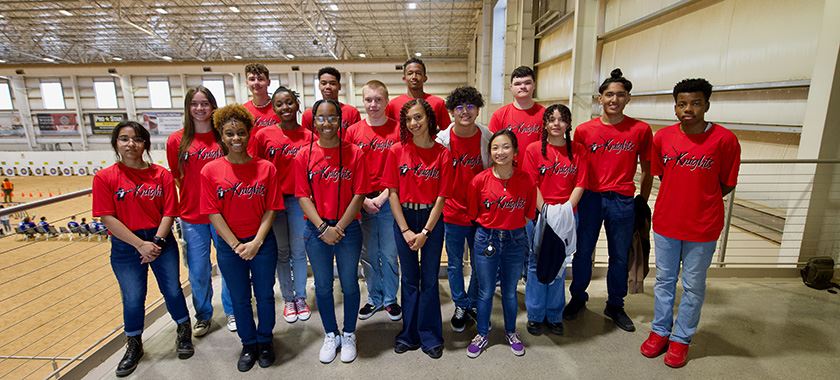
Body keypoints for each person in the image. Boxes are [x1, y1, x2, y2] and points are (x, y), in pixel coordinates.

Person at [640, 78, 740, 368]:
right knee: (664, 281)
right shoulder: (663, 138)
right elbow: (661, 175)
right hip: (667, 223)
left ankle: (681, 338)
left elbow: (726, 183)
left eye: (696, 103)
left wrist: (702, 200)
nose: (689, 109)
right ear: (675, 107)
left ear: (706, 105)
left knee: (694, 284)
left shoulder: (725, 140)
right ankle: (660, 331)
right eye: (682, 104)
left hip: (704, 226)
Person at [92, 121, 193, 377]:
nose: (131, 144)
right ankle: (134, 344)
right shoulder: (105, 178)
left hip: (161, 241)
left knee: (172, 290)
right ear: (116, 143)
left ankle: (183, 332)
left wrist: (156, 242)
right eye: (124, 139)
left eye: (137, 139)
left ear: (145, 144)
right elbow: (107, 217)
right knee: (134, 297)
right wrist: (139, 245)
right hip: (127, 245)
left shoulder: (162, 175)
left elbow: (171, 210)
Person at [565, 68, 653, 333]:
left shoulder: (640, 130)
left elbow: (648, 169)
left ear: (628, 99)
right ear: (599, 98)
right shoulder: (584, 131)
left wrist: (642, 200)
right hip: (590, 198)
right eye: (609, 95)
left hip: (622, 200)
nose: (614, 99)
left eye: (621, 95)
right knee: (582, 254)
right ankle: (578, 297)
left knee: (619, 256)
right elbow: (576, 168)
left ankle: (615, 304)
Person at [200, 104, 283, 372]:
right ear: (221, 137)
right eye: (230, 134)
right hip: (230, 246)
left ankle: (265, 340)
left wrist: (257, 242)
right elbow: (212, 212)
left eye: (241, 133)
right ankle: (248, 344)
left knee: (265, 295)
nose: (236, 139)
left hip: (262, 242)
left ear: (250, 134)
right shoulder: (210, 171)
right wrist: (236, 245)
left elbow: (271, 207)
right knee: (239, 297)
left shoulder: (266, 168)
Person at [295, 99, 370, 364]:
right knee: (324, 286)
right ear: (313, 121)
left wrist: (338, 227)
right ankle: (331, 334)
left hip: (347, 229)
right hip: (316, 230)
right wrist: (323, 228)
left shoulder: (355, 153)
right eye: (321, 118)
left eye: (332, 118)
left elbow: (360, 193)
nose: (327, 123)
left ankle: (349, 333)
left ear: (341, 120)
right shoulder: (304, 155)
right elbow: (303, 196)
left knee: (349, 283)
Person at [382, 98, 452, 359]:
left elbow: (442, 198)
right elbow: (392, 194)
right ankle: (408, 334)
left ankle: (430, 335)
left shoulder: (443, 154)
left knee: (430, 280)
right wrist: (405, 231)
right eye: (409, 119)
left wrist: (425, 233)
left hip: (431, 221)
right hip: (404, 219)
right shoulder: (395, 151)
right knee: (409, 279)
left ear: (429, 119)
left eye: (418, 117)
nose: (414, 123)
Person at [166, 86, 237, 336]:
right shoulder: (176, 140)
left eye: (204, 103)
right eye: (194, 104)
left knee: (228, 266)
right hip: (192, 216)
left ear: (212, 106)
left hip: (223, 214)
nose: (199, 108)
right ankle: (203, 315)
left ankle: (233, 310)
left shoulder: (223, 137)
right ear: (188, 107)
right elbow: (177, 177)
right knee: (198, 269)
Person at [465, 129, 536, 358]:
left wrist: (510, 226)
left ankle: (511, 332)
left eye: (506, 147)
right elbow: (474, 213)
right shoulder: (479, 181)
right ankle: (482, 333)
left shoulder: (525, 180)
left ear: (515, 151)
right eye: (495, 147)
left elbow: (527, 214)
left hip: (515, 239)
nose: (500, 152)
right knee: (485, 292)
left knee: (509, 292)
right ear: (489, 151)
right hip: (487, 238)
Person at [521, 104, 586, 336]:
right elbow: (531, 184)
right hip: (540, 214)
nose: (556, 124)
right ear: (545, 123)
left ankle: (554, 314)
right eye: (552, 119)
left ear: (568, 123)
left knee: (559, 263)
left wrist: (567, 209)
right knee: (536, 262)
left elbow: (580, 183)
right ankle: (536, 314)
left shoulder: (578, 150)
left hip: (567, 214)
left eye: (561, 119)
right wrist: (546, 210)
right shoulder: (533, 149)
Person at [252, 86, 313, 323]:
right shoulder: (263, 136)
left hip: (300, 201)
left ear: (296, 105)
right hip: (274, 203)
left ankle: (300, 296)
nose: (285, 108)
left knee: (299, 251)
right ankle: (287, 298)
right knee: (282, 252)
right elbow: (256, 168)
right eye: (279, 104)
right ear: (273, 108)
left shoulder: (309, 136)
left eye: (289, 102)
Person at [436, 86, 491, 332]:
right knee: (455, 262)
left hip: (480, 213)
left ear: (478, 110)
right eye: (459, 107)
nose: (465, 112)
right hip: (452, 212)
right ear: (451, 112)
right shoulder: (442, 140)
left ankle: (474, 302)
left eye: (470, 106)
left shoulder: (487, 137)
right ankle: (461, 303)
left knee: (480, 262)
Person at [346, 80, 402, 321]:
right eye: (368, 99)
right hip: (362, 201)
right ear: (362, 101)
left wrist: (383, 196)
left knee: (389, 253)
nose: (373, 104)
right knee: (368, 253)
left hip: (390, 199)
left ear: (387, 101)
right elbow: (348, 169)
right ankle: (374, 297)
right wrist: (364, 200)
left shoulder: (399, 130)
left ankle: (390, 299)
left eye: (378, 99)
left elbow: (403, 168)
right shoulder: (353, 132)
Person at [488, 66, 545, 165]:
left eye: (527, 83)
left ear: (534, 85)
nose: (522, 87)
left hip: (535, 172)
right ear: (511, 88)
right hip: (507, 172)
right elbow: (492, 148)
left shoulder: (546, 114)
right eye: (517, 84)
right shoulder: (499, 115)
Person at [386, 58, 451, 130]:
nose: (414, 77)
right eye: (410, 73)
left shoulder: (438, 103)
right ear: (404, 78)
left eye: (418, 73)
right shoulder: (393, 105)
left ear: (425, 78)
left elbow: (447, 132)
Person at [301, 67, 361, 132]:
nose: (328, 87)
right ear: (319, 86)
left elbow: (356, 137)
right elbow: (306, 139)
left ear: (339, 86)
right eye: (323, 83)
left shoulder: (352, 112)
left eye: (332, 83)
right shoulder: (309, 114)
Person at [242, 63, 281, 155]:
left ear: (268, 82)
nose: (256, 83)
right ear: (247, 83)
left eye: (260, 79)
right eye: (252, 79)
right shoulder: (243, 111)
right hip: (252, 161)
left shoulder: (279, 109)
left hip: (276, 159)